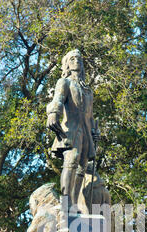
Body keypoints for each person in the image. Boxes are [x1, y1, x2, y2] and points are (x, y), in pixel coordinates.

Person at [46, 49, 100, 210]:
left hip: (86, 132)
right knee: (72, 160)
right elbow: (58, 100)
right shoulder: (65, 82)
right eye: (73, 59)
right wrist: (53, 113)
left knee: (82, 167)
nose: (77, 61)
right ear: (67, 64)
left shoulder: (88, 90)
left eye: (79, 59)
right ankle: (65, 203)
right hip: (70, 130)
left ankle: (73, 205)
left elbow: (90, 115)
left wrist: (95, 132)